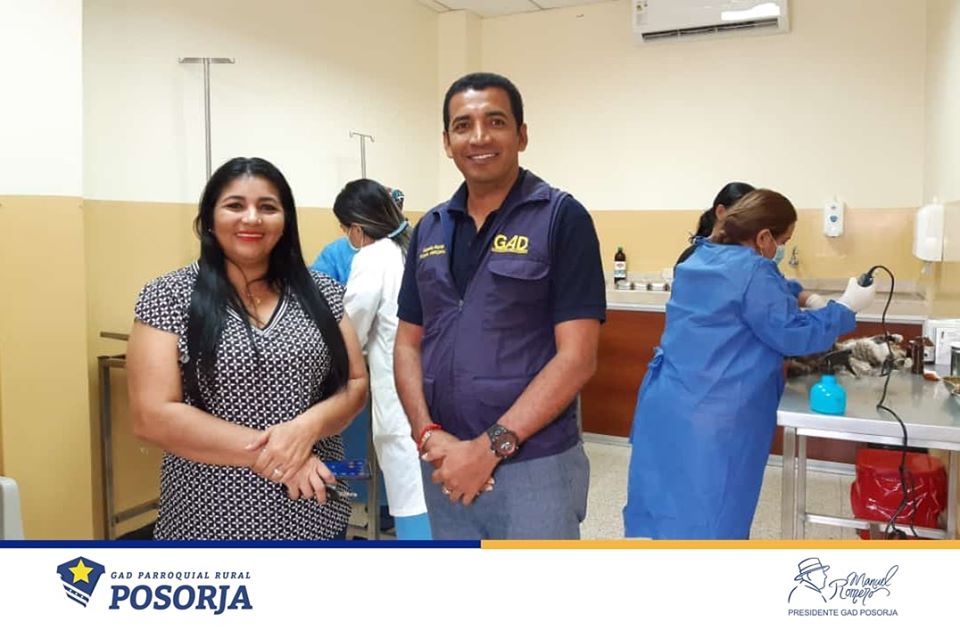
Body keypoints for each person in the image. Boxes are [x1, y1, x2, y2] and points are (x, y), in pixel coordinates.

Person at [394, 72, 606, 539]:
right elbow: (408, 342)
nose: (479, 137)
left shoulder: (560, 218)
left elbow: (577, 357)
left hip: (534, 463)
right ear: (447, 142)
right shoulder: (429, 228)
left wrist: (489, 449)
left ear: (521, 135)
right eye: (463, 125)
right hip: (444, 460)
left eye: (495, 121)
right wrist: (426, 433)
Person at [126, 157, 369, 540]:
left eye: (268, 207)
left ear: (285, 220)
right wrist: (278, 456)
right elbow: (151, 415)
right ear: (209, 218)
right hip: (207, 520)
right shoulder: (168, 296)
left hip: (316, 513)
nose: (252, 218)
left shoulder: (322, 292)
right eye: (235, 205)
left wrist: (306, 428)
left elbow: (355, 383)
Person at [624, 189, 876, 539]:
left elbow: (760, 293)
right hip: (717, 416)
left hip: (668, 403)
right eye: (782, 242)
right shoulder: (754, 271)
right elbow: (792, 334)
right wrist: (845, 308)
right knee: (715, 514)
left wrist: (804, 296)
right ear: (763, 237)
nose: (780, 250)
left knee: (666, 507)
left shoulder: (699, 258)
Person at [332, 178, 432, 540]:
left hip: (400, 394)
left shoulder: (373, 257)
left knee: (411, 494)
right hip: (432, 390)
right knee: (432, 493)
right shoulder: (415, 246)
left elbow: (352, 327)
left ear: (357, 228)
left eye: (345, 228)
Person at [677, 182, 827, 310]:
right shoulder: (743, 266)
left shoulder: (709, 256)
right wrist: (835, 312)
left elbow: (764, 288)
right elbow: (783, 322)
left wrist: (802, 295)